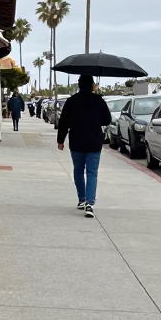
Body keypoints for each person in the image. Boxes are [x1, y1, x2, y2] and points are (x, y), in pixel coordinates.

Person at [57, 75, 111, 217]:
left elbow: (63, 122)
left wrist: (60, 140)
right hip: (94, 142)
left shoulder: (71, 101)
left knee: (78, 171)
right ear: (92, 85)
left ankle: (81, 199)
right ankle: (89, 202)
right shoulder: (99, 101)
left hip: (77, 141)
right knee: (92, 172)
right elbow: (107, 119)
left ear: (79, 85)